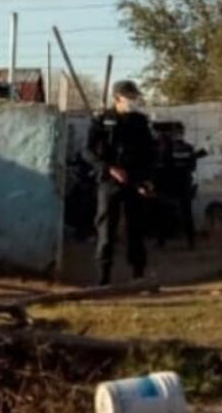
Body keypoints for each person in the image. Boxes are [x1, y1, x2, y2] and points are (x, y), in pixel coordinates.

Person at [83, 80, 156, 286]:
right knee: (106, 230)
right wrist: (109, 169)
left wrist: (146, 179)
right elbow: (87, 152)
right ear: (117, 98)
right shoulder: (102, 120)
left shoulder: (139, 122)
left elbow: (149, 154)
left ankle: (138, 274)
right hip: (109, 182)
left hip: (134, 181)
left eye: (135, 97)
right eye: (129, 98)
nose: (133, 102)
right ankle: (103, 279)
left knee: (136, 229)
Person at [156, 123, 206, 249]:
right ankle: (191, 242)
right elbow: (192, 166)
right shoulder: (189, 148)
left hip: (169, 186)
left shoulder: (166, 148)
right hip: (184, 185)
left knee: (164, 214)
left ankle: (162, 242)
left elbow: (162, 166)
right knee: (187, 215)